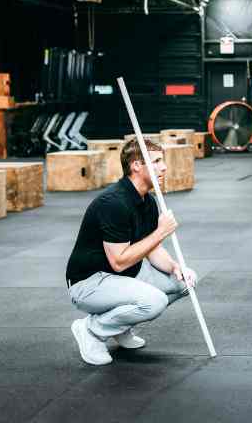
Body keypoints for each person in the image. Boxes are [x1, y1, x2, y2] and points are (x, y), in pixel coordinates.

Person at [65, 138, 197, 366]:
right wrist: (161, 232)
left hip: (123, 276)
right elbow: (119, 262)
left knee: (184, 282)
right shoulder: (114, 203)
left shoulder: (148, 200)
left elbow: (152, 248)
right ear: (136, 165)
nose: (164, 167)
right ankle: (91, 330)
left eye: (162, 161)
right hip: (90, 282)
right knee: (153, 301)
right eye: (156, 161)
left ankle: (119, 326)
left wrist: (176, 267)